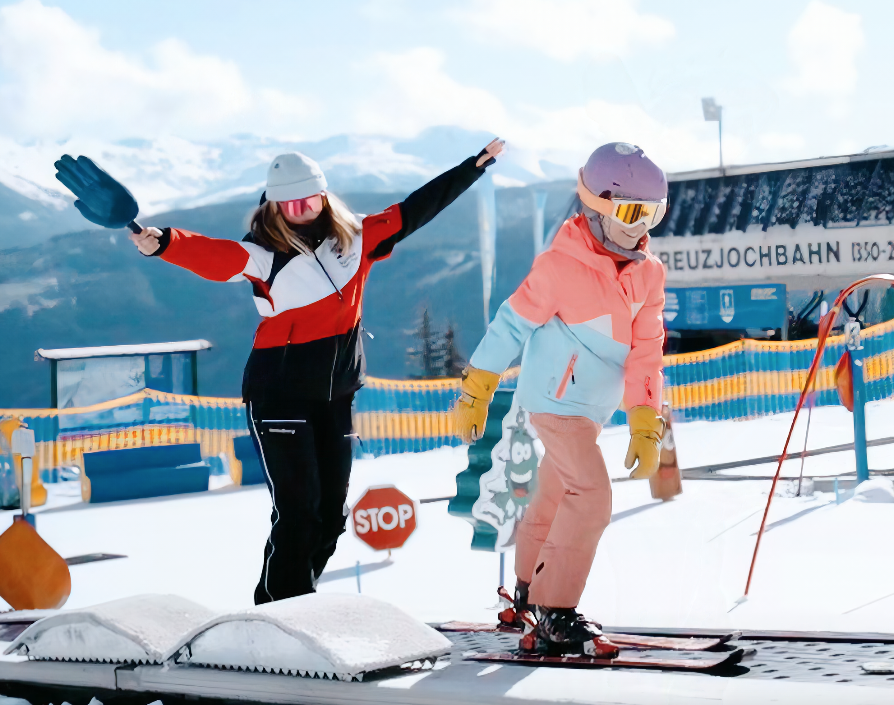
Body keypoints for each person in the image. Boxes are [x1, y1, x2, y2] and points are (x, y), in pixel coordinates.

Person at [129, 138, 505, 604]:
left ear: (324, 197)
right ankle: (286, 609)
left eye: (308, 200)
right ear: (273, 206)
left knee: (330, 516)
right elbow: (215, 256)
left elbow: (417, 208)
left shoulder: (358, 238)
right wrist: (163, 243)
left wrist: (472, 168)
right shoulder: (264, 254)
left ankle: (285, 601)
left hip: (335, 397)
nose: (299, 210)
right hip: (279, 394)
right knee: (298, 510)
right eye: (288, 204)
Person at [453, 142, 668, 658]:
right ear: (596, 204)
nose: (642, 227)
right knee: (591, 496)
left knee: (553, 495)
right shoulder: (560, 265)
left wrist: (645, 421)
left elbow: (646, 351)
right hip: (554, 401)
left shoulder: (647, 273)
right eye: (632, 212)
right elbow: (510, 325)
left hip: (592, 410)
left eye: (655, 213)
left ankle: (528, 591)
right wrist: (478, 386)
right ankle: (556, 610)